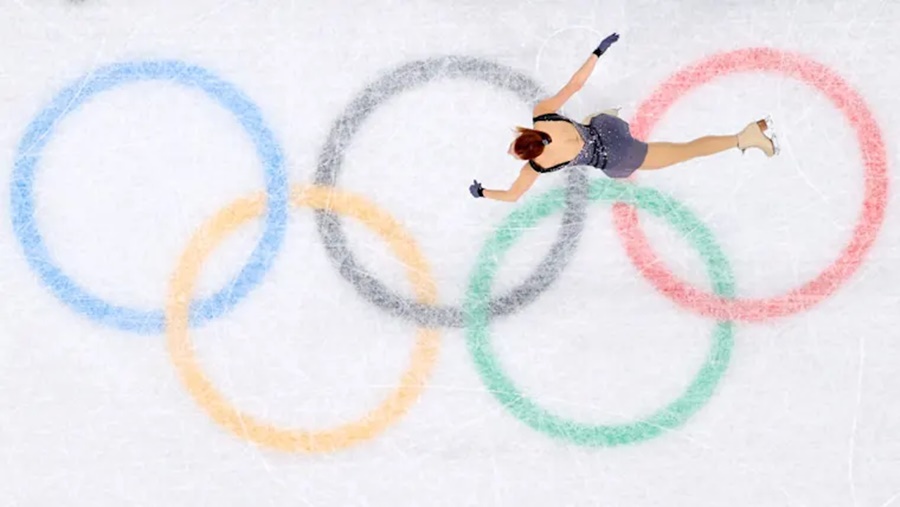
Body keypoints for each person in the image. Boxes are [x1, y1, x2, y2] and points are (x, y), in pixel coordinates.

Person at [469, 33, 779, 202]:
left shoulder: (536, 167)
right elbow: (575, 85)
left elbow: (512, 196)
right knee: (593, 119)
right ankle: (609, 113)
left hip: (617, 155)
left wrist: (482, 193)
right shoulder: (542, 115)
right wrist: (597, 52)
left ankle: (746, 136)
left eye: (515, 152)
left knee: (686, 151)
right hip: (606, 127)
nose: (511, 152)